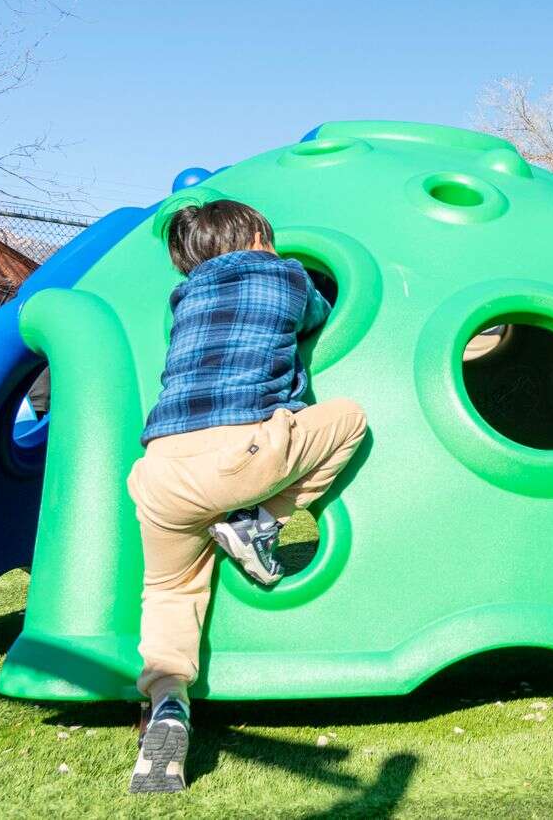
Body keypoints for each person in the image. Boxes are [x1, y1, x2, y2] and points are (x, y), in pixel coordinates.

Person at [126, 200, 367, 794]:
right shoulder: (286, 276)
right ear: (259, 236)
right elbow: (320, 313)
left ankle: (167, 701)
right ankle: (259, 520)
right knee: (347, 418)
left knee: (169, 589)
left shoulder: (183, 297)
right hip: (241, 452)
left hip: (160, 469)